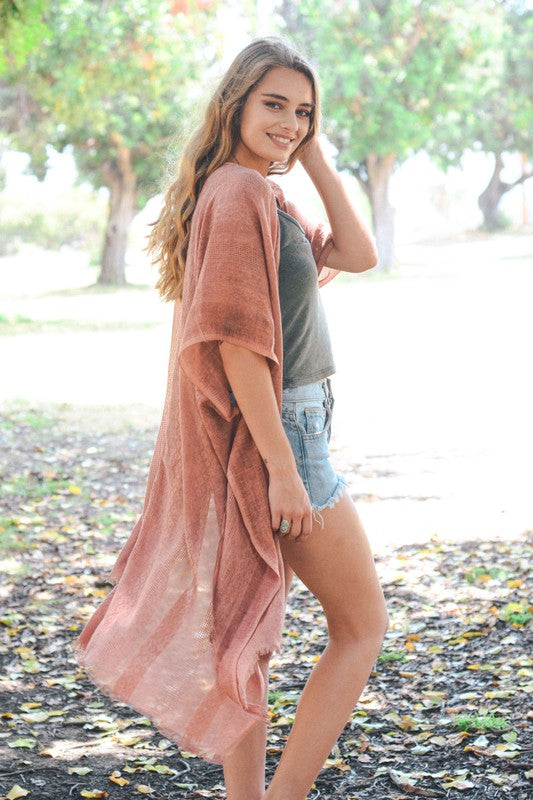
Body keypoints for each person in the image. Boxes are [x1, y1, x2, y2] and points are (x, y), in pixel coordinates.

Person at [72, 35, 388, 800]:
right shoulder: (240, 194)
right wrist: (282, 469)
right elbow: (237, 348)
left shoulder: (252, 190)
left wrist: (309, 154)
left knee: (247, 641)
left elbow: (356, 251)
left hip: (283, 427)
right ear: (236, 102)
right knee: (361, 626)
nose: (288, 120)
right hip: (287, 436)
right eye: (273, 104)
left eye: (302, 111)